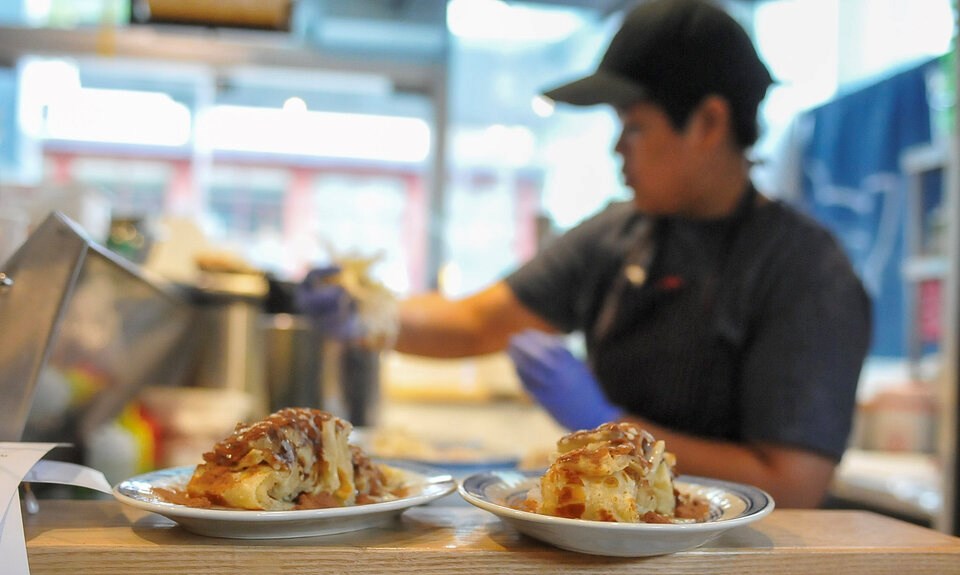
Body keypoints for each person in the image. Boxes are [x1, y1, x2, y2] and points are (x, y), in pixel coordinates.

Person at [299, 0, 872, 509]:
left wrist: (610, 426)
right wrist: (372, 313)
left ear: (709, 122)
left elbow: (795, 484)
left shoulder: (804, 271)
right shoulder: (621, 233)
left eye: (635, 126)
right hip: (612, 536)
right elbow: (477, 322)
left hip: (740, 572)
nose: (617, 148)